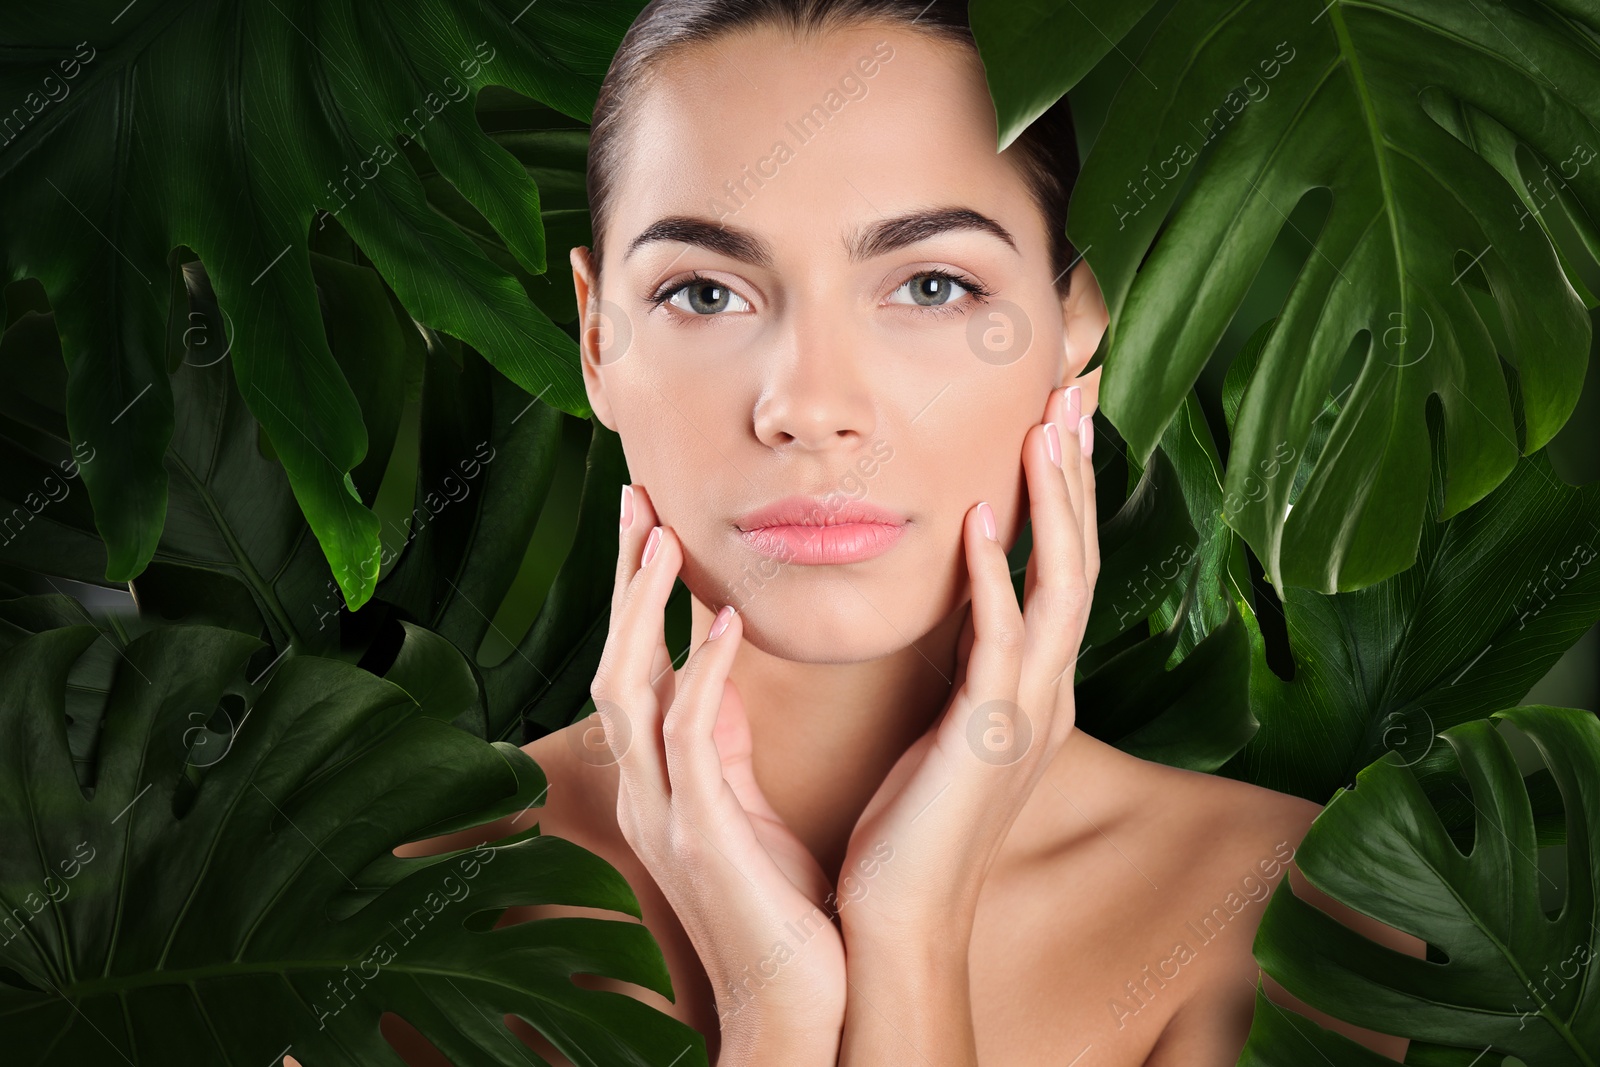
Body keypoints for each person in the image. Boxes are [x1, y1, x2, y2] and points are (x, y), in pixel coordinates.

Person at [378, 1, 1425, 1064]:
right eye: (705, 291)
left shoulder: (1285, 916)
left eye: (930, 286)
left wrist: (908, 935)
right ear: (598, 341)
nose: (811, 403)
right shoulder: (404, 907)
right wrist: (774, 1009)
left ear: (1071, 329)